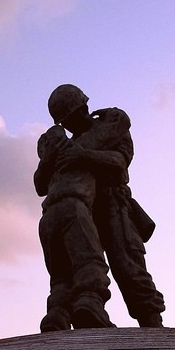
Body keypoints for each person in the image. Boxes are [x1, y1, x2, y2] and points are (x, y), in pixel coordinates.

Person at [46, 84, 165, 327]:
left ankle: (151, 322)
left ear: (84, 109)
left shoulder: (110, 128)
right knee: (78, 265)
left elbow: (119, 162)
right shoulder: (69, 145)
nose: (69, 125)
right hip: (83, 206)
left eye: (72, 117)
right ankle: (84, 311)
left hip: (114, 204)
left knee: (128, 266)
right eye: (65, 122)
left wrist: (84, 156)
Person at [34, 92, 115, 332]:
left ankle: (57, 314)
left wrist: (47, 157)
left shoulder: (53, 154)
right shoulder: (81, 145)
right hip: (73, 207)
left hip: (47, 217)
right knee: (89, 262)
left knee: (60, 275)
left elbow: (39, 185)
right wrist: (112, 115)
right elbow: (115, 128)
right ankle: (90, 304)